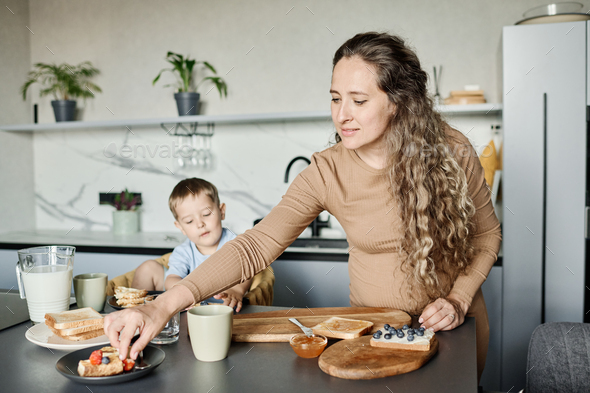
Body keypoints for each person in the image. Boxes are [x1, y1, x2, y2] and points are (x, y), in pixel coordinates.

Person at [105, 32, 501, 383]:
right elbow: (256, 245)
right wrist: (160, 308)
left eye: (358, 100)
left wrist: (459, 298)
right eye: (335, 98)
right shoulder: (328, 170)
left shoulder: (451, 150)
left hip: (453, 329)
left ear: (397, 103)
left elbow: (487, 236)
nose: (341, 115)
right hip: (371, 337)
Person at [130, 177, 252, 312]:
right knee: (147, 268)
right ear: (180, 227)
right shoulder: (184, 251)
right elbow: (171, 279)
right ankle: (137, 312)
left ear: (221, 211)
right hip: (187, 306)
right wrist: (191, 292)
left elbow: (247, 269)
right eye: (189, 221)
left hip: (220, 307)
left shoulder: (234, 243)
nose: (200, 224)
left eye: (206, 214)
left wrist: (237, 290)